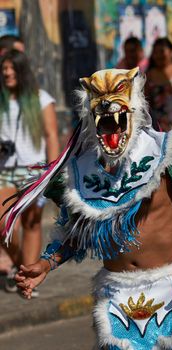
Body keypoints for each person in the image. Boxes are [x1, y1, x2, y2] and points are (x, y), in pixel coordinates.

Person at [5, 68, 172, 349]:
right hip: (117, 295)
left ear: (134, 111)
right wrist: (45, 264)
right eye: (104, 122)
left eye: (118, 118)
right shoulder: (79, 173)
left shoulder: (166, 154)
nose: (111, 128)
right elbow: (77, 234)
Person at [0, 49, 60, 295]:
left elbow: (51, 135)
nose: (7, 73)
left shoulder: (40, 98)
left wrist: (53, 171)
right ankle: (16, 264)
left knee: (32, 224)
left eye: (12, 69)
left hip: (33, 171)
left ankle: (26, 276)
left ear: (22, 71)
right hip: (5, 168)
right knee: (4, 224)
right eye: (4, 70)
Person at [0, 34, 25, 274]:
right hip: (5, 164)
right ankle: (20, 264)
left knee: (24, 222)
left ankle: (21, 265)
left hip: (25, 163)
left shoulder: (32, 92)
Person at [145, 37, 172, 131]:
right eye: (155, 52)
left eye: (162, 51)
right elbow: (146, 101)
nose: (159, 55)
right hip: (160, 126)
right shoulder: (149, 75)